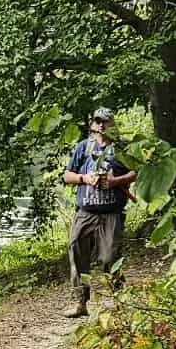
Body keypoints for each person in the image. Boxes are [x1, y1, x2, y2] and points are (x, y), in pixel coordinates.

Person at [63, 108, 135, 318]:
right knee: (77, 255)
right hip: (85, 212)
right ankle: (80, 302)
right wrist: (85, 178)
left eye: (106, 121)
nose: (101, 125)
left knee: (110, 257)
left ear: (113, 124)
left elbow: (137, 172)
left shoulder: (122, 148)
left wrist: (115, 181)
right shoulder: (83, 147)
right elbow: (68, 175)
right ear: (93, 124)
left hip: (112, 213)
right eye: (98, 121)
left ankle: (117, 304)